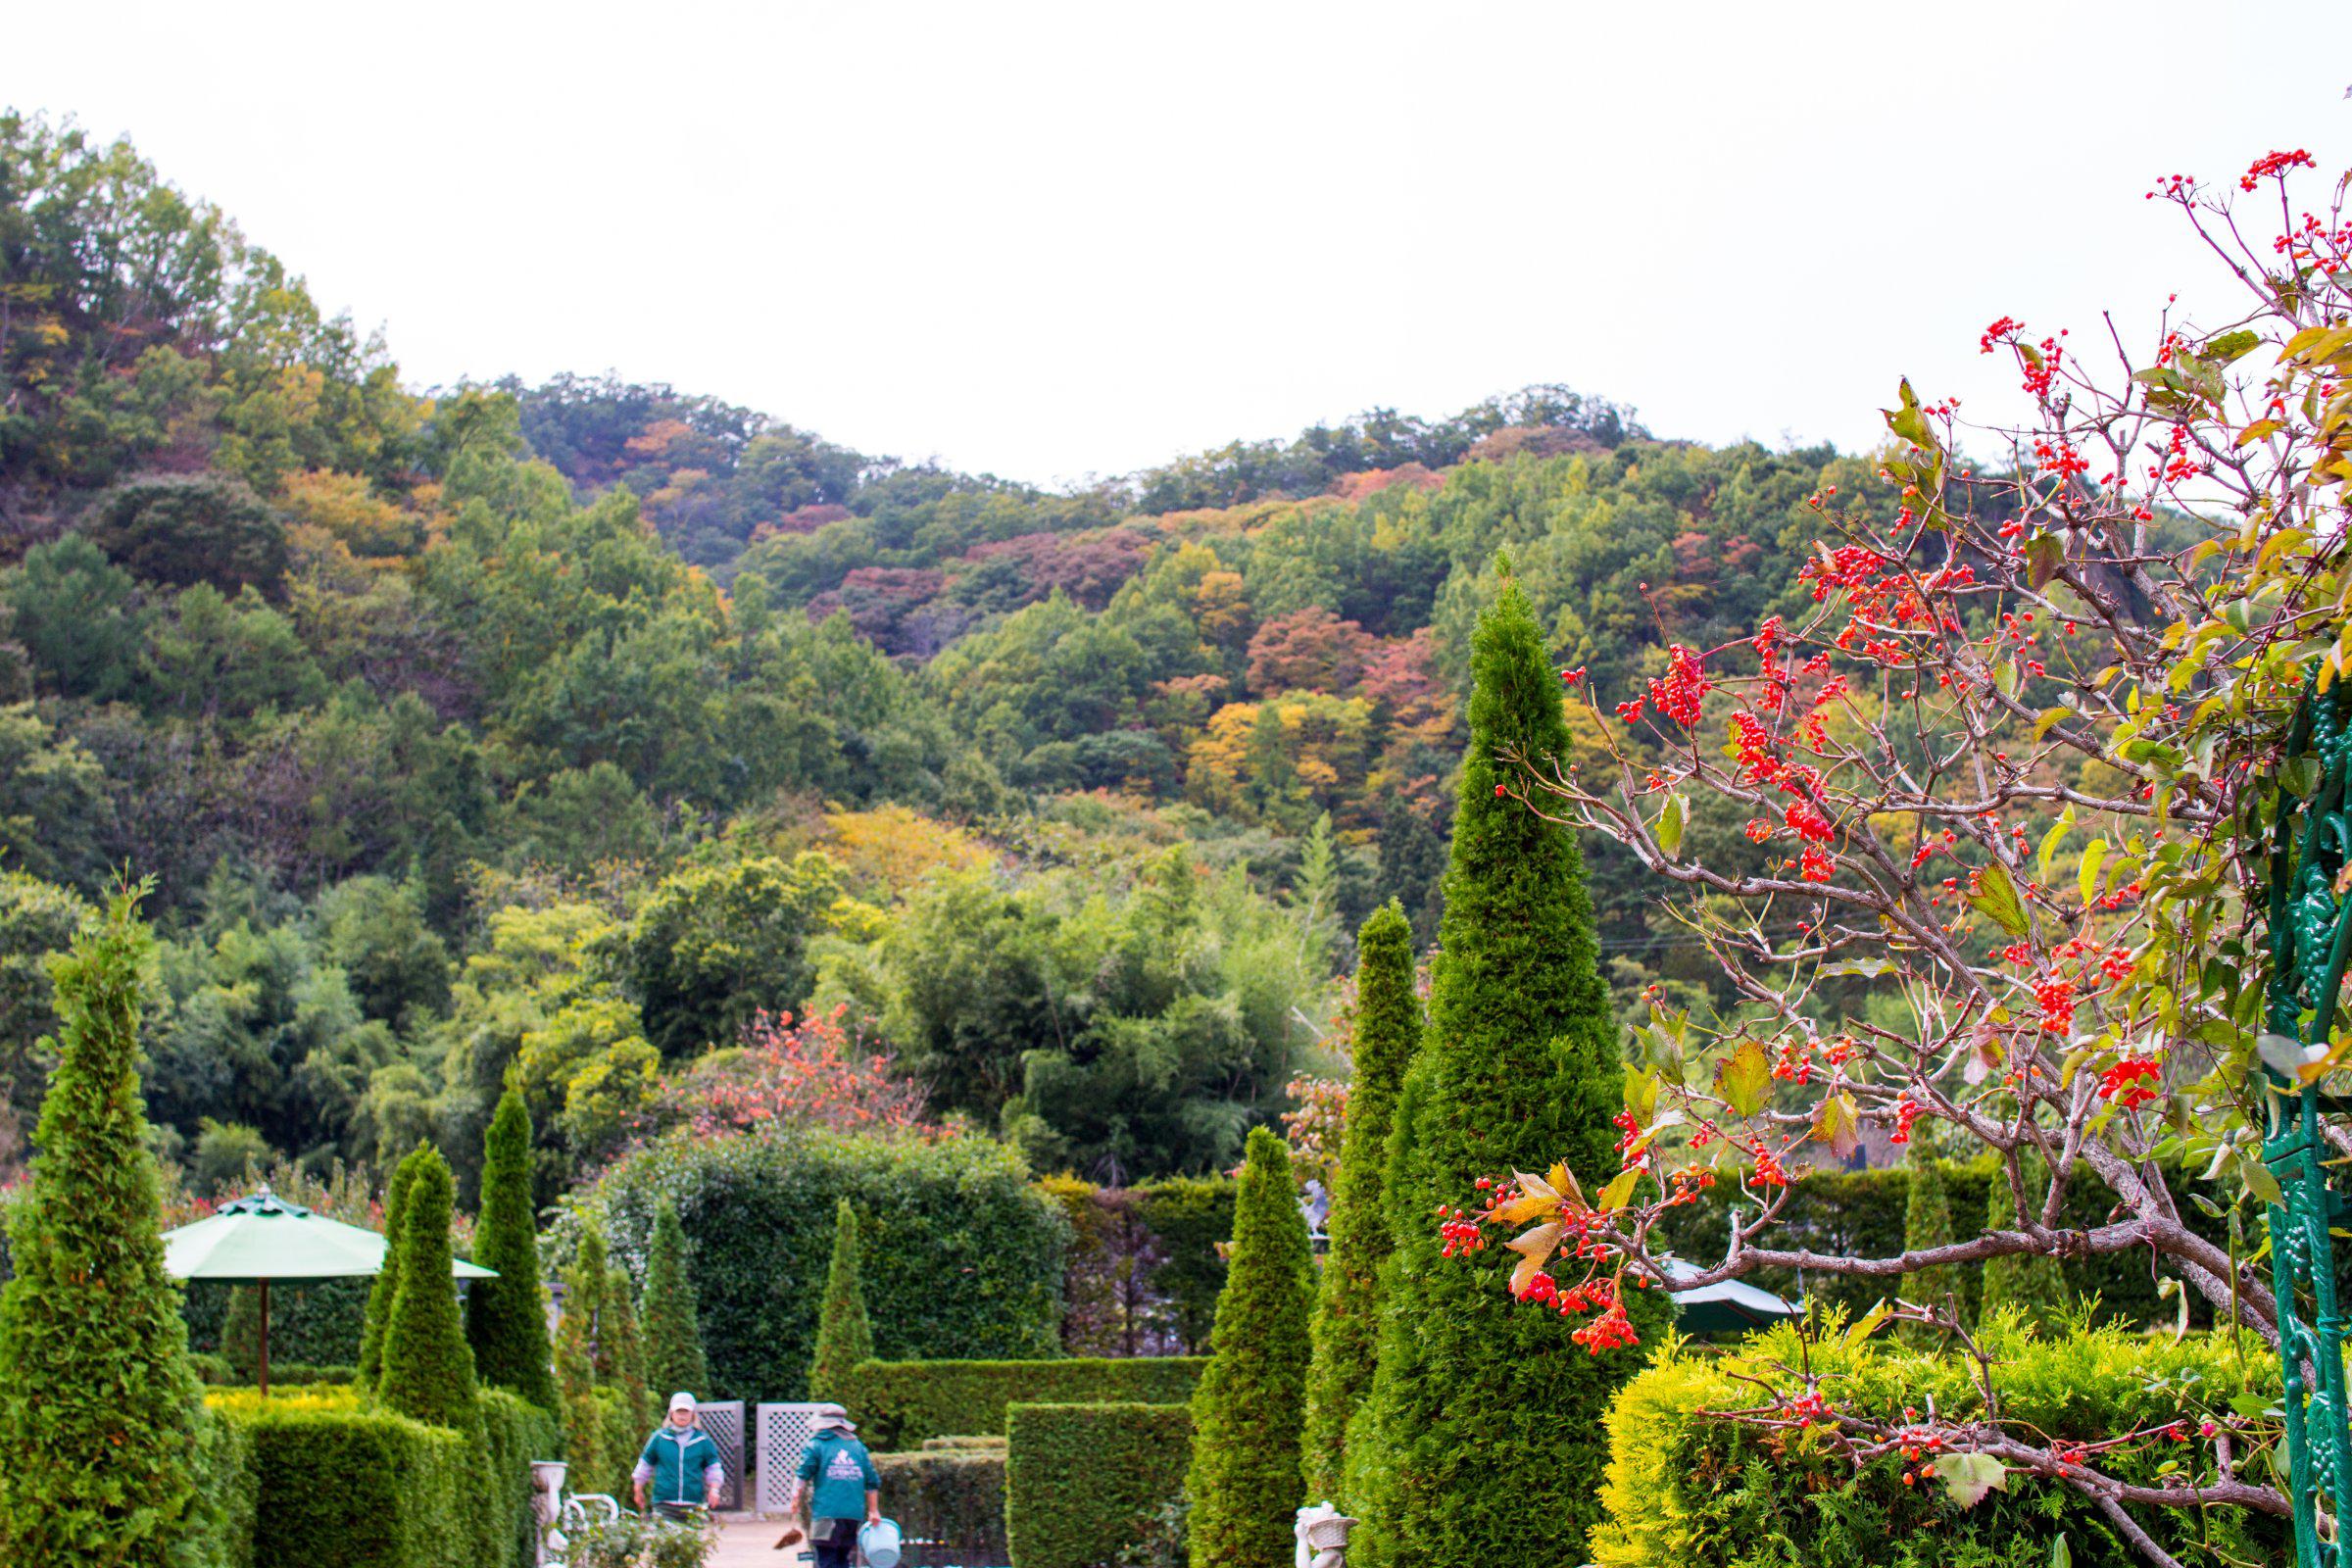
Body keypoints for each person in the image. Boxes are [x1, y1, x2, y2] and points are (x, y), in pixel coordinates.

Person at [782, 1404, 879, 1568]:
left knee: (826, 1560)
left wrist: (795, 1498)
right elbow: (872, 1482)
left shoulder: (816, 1445)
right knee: (843, 1559)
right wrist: (874, 1510)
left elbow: (802, 1475)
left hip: (826, 1515)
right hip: (852, 1515)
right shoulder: (858, 1447)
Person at [634, 1391, 725, 1520]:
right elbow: (645, 1464)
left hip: (693, 1503)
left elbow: (713, 1468)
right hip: (664, 1503)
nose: (682, 1415)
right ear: (671, 1413)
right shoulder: (659, 1438)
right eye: (679, 1411)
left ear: (693, 1414)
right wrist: (638, 1488)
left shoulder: (702, 1441)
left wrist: (714, 1489)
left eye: (686, 1412)